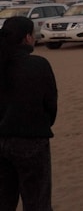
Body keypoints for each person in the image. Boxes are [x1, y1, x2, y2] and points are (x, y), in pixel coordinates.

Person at [0, 16, 58, 211]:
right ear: (26, 38)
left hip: (4, 139)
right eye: (32, 34)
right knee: (37, 202)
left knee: (4, 200)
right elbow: (51, 106)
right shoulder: (38, 64)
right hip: (31, 141)